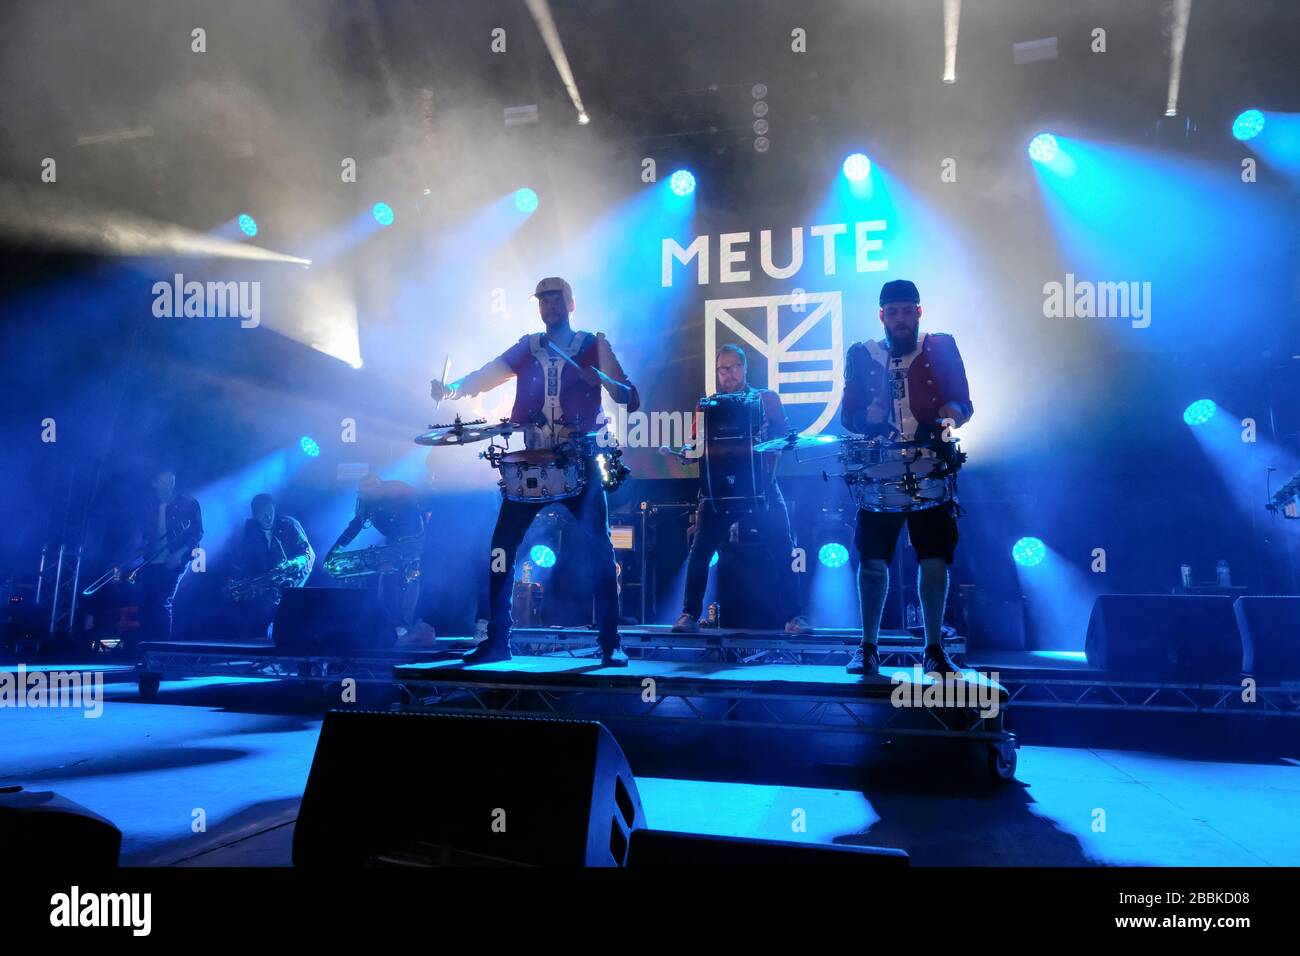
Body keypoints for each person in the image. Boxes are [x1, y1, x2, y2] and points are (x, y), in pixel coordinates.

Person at [430, 277, 639, 666]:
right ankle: (497, 640)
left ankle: (610, 642)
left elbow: (631, 397)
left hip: (579, 460)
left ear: (570, 303)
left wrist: (605, 379)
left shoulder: (593, 345)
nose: (549, 305)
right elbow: (485, 375)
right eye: (542, 300)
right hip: (530, 462)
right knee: (500, 549)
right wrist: (452, 389)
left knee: (599, 549)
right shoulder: (527, 346)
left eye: (555, 298)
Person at [840, 279, 972, 677]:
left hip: (930, 461)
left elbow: (964, 402)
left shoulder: (941, 347)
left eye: (906, 311)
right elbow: (848, 417)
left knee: (934, 556)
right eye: (892, 312)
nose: (900, 319)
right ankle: (868, 648)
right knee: (873, 559)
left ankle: (934, 648)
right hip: (881, 467)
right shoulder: (862, 354)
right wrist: (870, 419)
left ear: (919, 312)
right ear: (882, 316)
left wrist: (951, 413)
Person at [672, 344, 811, 635]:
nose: (729, 374)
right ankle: (688, 615)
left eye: (735, 367)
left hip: (762, 488)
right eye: (723, 369)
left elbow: (786, 435)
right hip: (718, 493)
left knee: (784, 549)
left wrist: (778, 440)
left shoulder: (766, 399)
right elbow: (695, 443)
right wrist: (686, 451)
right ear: (717, 371)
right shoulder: (707, 405)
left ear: (745, 368)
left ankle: (794, 617)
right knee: (700, 552)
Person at [326, 474, 429, 644]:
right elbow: (356, 525)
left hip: (416, 542)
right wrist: (336, 548)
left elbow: (413, 524)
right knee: (387, 575)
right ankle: (391, 622)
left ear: (379, 490)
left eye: (369, 493)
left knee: (412, 579)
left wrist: (401, 551)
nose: (365, 497)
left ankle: (408, 625)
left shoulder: (401, 494)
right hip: (394, 543)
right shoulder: (366, 501)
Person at [132, 466, 203, 651]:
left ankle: (163, 652)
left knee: (163, 602)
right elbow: (146, 533)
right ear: (154, 483)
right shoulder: (148, 504)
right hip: (152, 560)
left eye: (171, 482)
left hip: (175, 560)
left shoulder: (188, 502)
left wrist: (178, 555)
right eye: (163, 482)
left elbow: (197, 533)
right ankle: (147, 650)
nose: (168, 487)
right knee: (149, 604)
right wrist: (143, 547)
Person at [230, 493, 314, 641]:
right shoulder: (250, 530)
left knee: (287, 615)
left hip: (295, 575)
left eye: (271, 513)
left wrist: (293, 566)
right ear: (255, 515)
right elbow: (245, 559)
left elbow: (307, 554)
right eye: (264, 515)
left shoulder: (290, 524)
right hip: (270, 579)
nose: (269, 518)